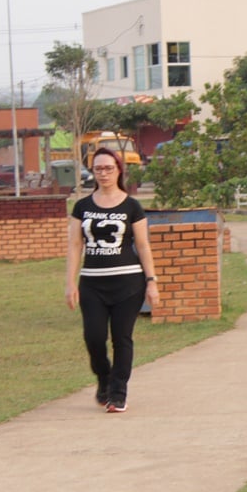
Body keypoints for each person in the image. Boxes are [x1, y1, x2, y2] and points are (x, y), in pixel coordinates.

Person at [65, 147, 160, 413]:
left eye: (108, 168)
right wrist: (70, 282)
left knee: (122, 338)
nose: (103, 173)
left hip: (128, 283)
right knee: (93, 338)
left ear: (119, 170)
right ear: (92, 172)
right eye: (98, 169)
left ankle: (118, 393)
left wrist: (151, 281)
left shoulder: (132, 206)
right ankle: (104, 378)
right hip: (92, 283)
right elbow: (74, 245)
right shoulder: (82, 206)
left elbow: (143, 246)